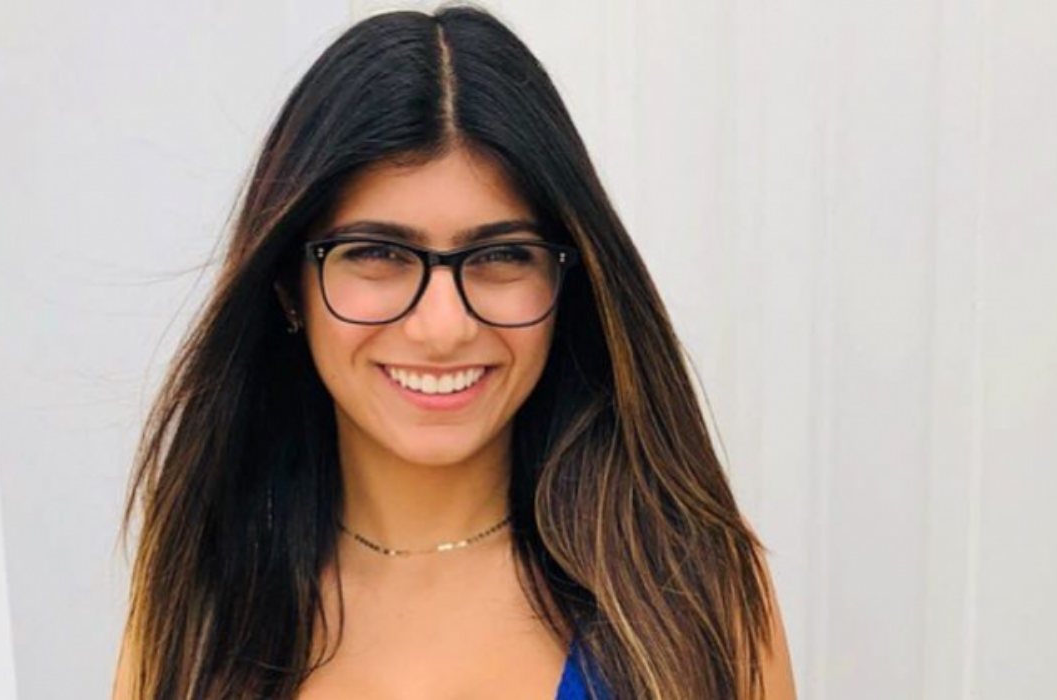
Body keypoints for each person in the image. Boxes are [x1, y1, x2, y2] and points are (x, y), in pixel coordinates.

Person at [113, 5, 796, 699]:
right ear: (289, 286)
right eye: (377, 253)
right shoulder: (199, 597)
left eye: (501, 256)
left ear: (567, 281)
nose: (442, 329)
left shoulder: (686, 587)